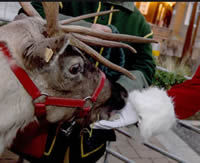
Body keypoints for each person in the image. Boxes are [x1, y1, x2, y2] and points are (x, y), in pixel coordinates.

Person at [15, 2, 156, 163]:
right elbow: (29, 15)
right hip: (46, 117)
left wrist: (118, 91)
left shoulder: (138, 23)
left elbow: (146, 64)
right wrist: (85, 28)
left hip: (91, 127)